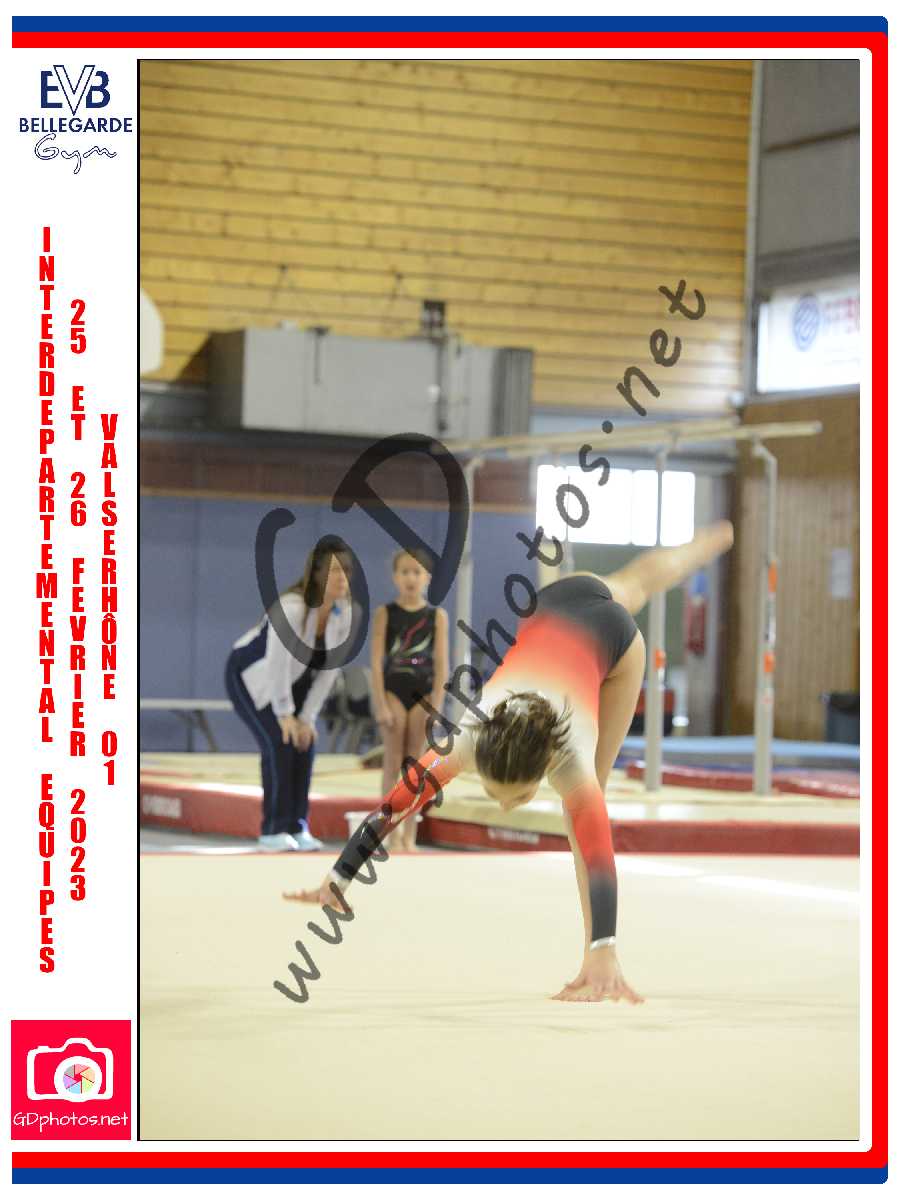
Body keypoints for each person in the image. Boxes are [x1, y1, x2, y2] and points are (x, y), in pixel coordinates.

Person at [286, 522, 734, 1001]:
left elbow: (600, 851)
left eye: (516, 797)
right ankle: (705, 543)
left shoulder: (572, 756)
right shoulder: (468, 737)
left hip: (614, 642)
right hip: (556, 607)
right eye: (497, 794)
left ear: (545, 766)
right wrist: (339, 877)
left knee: (587, 810)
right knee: (633, 583)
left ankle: (597, 953)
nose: (503, 808)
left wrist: (605, 945)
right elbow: (395, 805)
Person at [226, 537, 354, 852]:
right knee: (279, 742)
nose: (342, 578)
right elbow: (276, 663)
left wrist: (307, 718)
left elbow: (329, 672)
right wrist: (284, 714)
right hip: (250, 676)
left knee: (304, 743)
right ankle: (272, 830)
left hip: (294, 682)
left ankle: (298, 827)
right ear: (317, 575)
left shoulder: (344, 615)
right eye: (334, 571)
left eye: (346, 571)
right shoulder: (292, 608)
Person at [370, 549, 449, 852]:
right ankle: (388, 834)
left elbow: (441, 665)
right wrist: (380, 703)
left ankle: (409, 835)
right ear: (395, 577)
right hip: (394, 691)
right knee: (393, 761)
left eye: (416, 572)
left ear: (427, 578)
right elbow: (376, 663)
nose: (411, 578)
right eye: (405, 572)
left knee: (414, 765)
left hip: (423, 693)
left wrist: (437, 705)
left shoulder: (437, 616)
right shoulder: (385, 613)